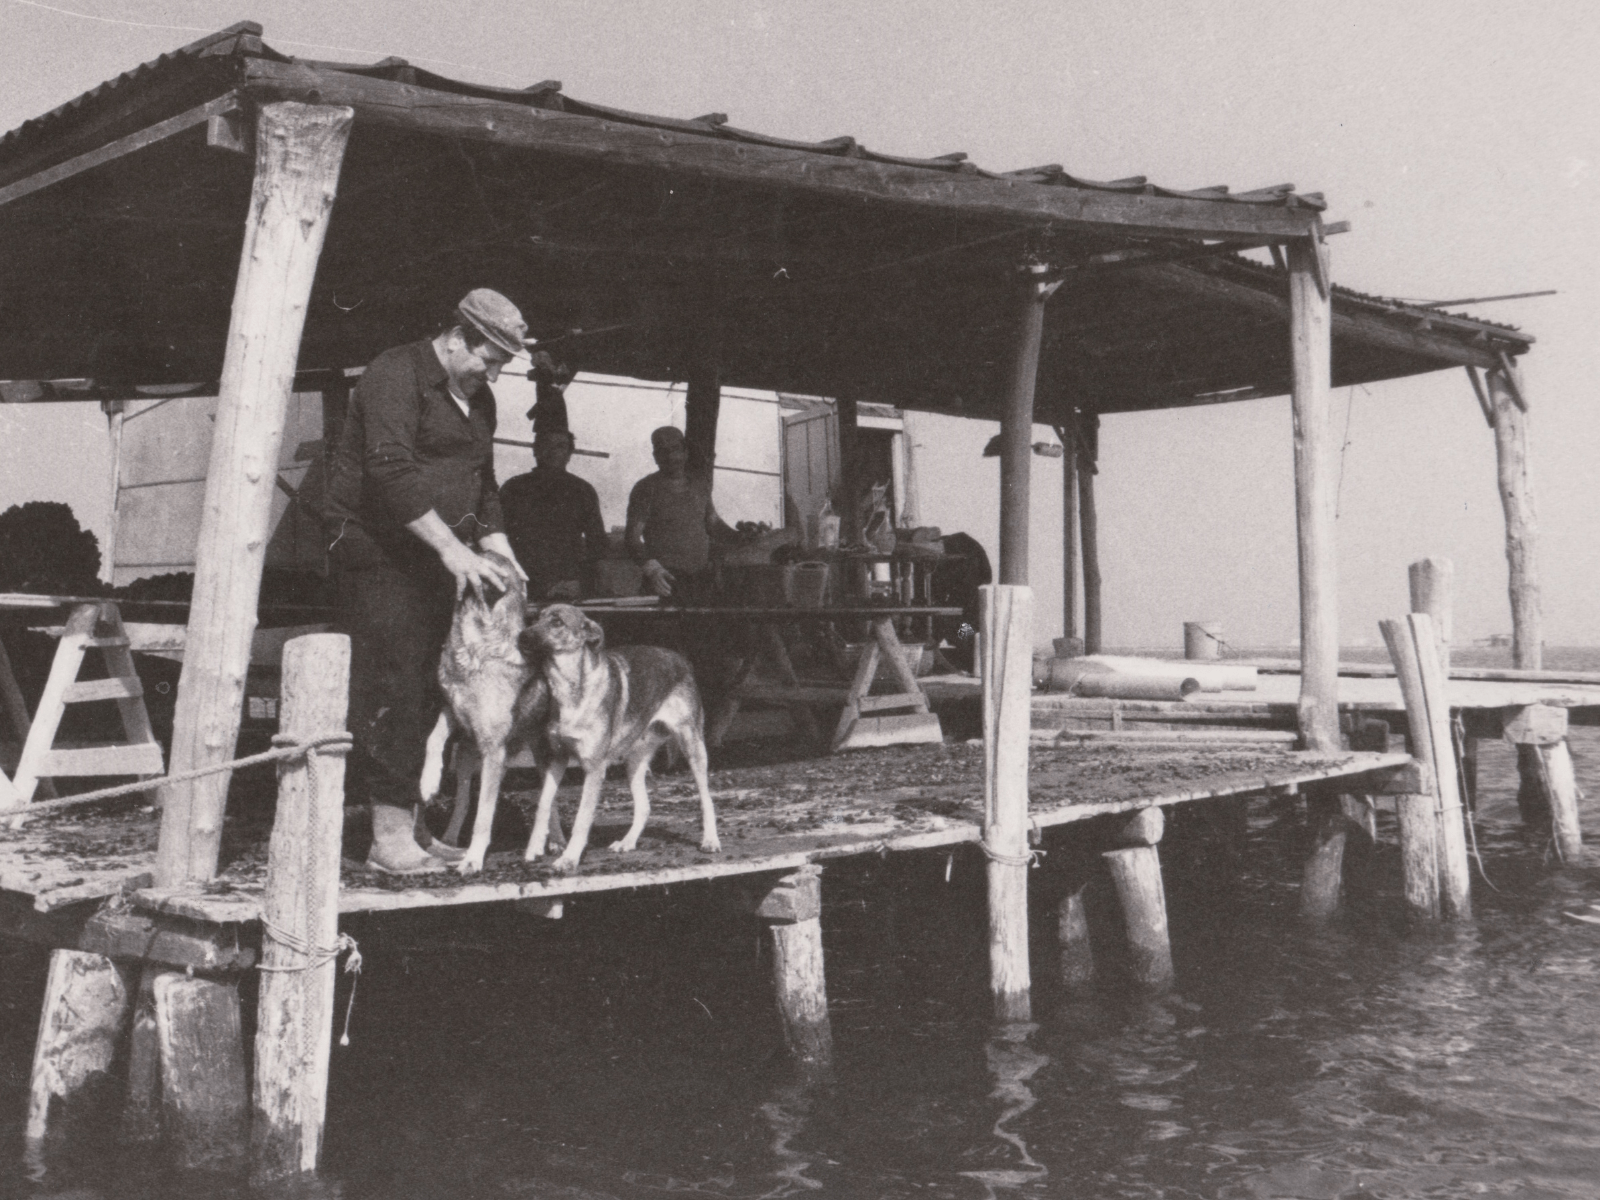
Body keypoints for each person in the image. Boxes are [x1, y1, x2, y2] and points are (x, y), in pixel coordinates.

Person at [324, 288, 528, 873]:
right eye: (488, 359)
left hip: (439, 558)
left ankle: (411, 824)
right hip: (378, 555)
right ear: (458, 336)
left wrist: (500, 549)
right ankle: (387, 838)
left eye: (502, 365)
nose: (492, 373)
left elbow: (482, 481)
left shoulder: (477, 400)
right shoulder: (395, 374)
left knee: (429, 688)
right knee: (394, 685)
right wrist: (452, 550)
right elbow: (390, 469)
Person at [625, 425, 735, 604]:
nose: (670, 457)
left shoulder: (700, 485)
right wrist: (653, 570)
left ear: (685, 452)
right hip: (665, 581)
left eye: (675, 449)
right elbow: (632, 539)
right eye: (662, 452)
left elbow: (713, 523)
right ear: (655, 457)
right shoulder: (646, 488)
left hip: (701, 581)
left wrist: (742, 537)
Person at [500, 427, 608, 601]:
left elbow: (597, 543)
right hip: (522, 582)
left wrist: (581, 582)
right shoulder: (513, 488)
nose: (552, 452)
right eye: (545, 445)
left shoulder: (582, 490)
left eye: (560, 446)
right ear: (535, 450)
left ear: (569, 453)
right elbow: (497, 535)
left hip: (567, 585)